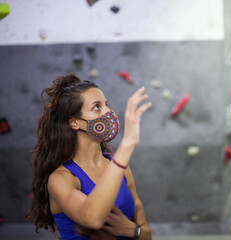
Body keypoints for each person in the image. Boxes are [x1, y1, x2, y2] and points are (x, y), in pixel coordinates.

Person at [27, 74, 153, 240]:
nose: (109, 112)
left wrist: (131, 230)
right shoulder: (61, 179)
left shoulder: (121, 168)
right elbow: (91, 218)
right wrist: (127, 144)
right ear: (75, 122)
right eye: (97, 107)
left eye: (106, 105)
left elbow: (146, 235)